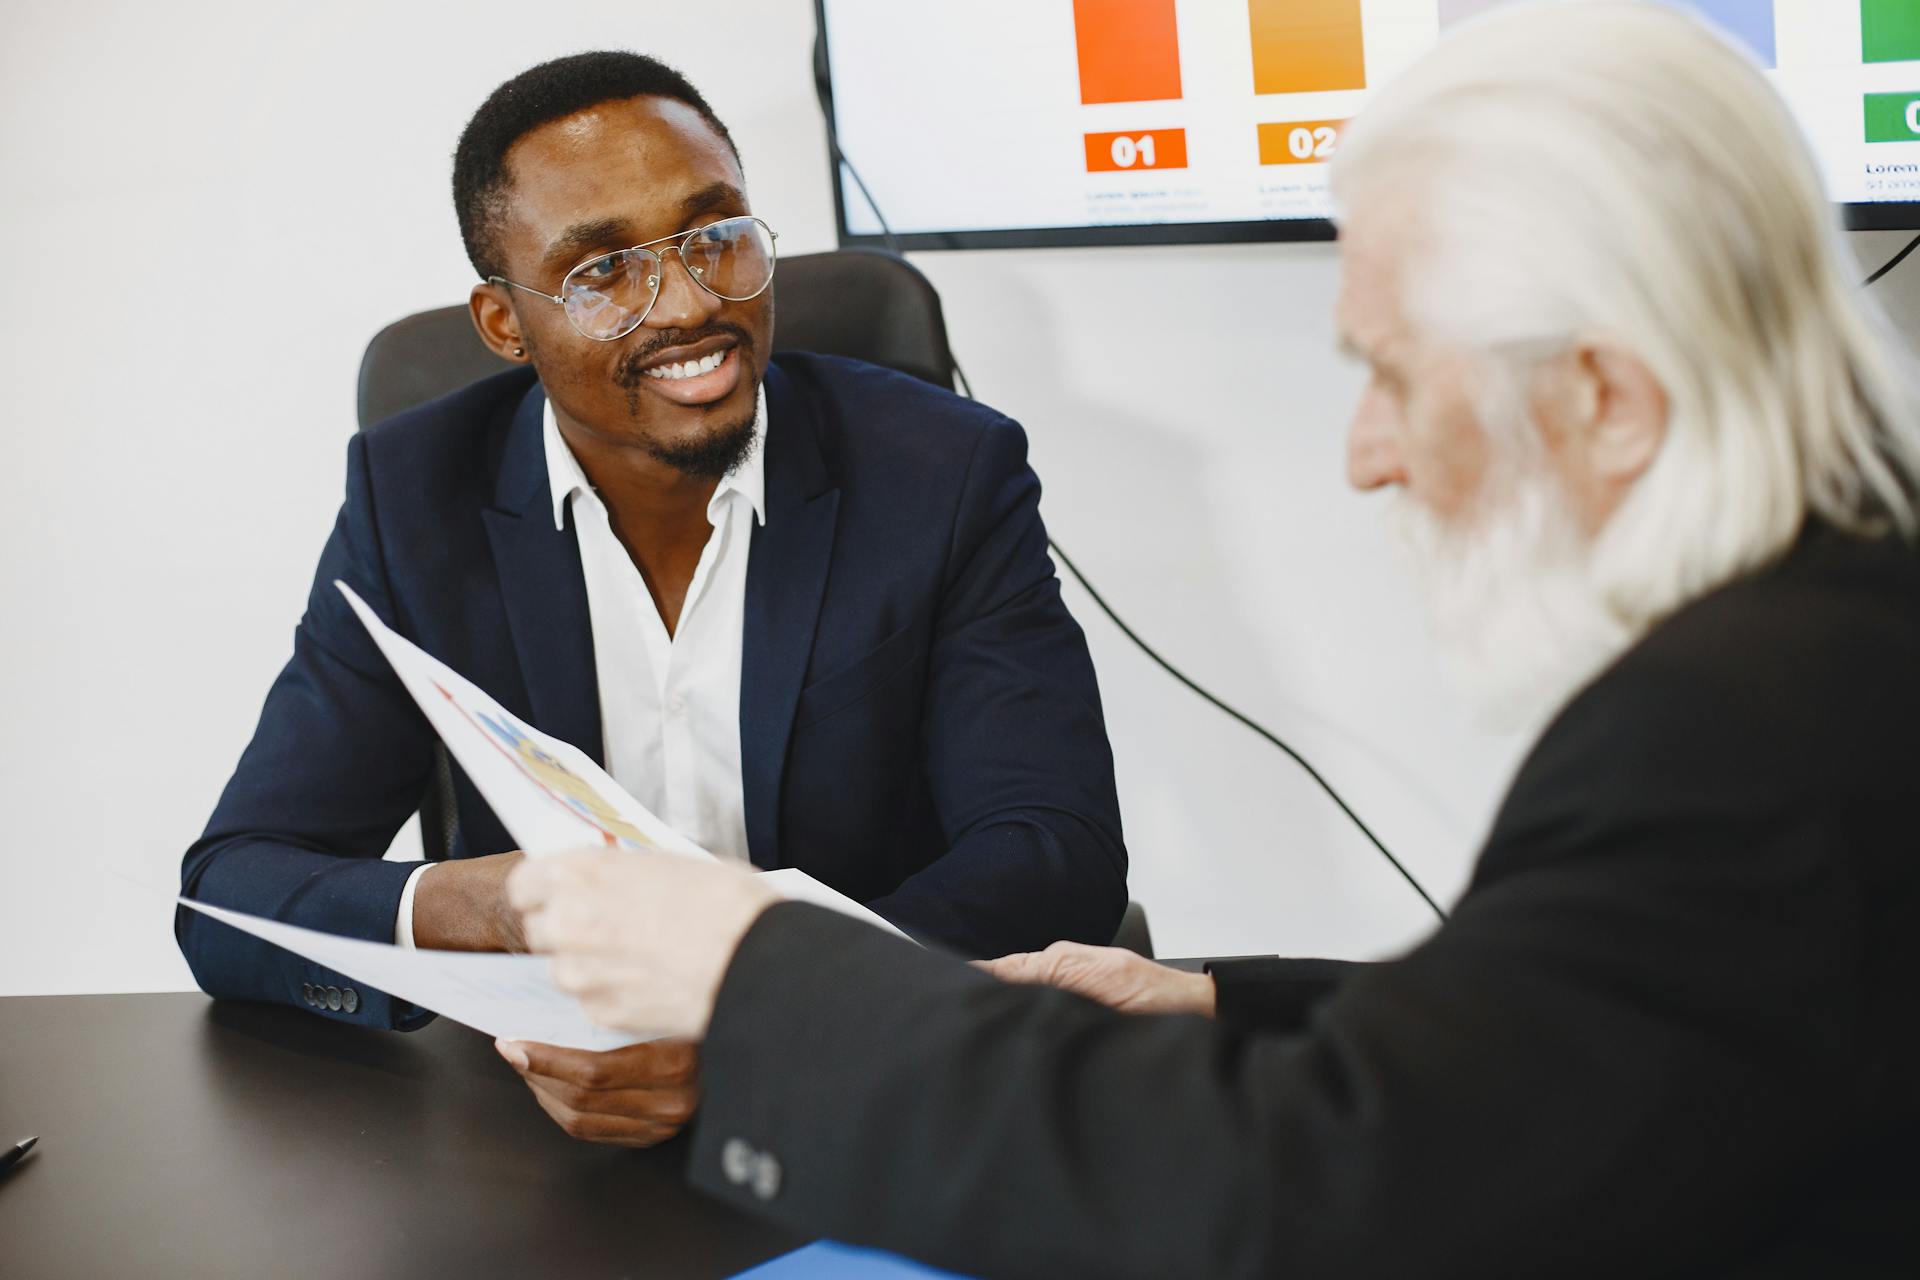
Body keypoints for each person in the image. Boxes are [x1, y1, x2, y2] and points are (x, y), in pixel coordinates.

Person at [506, 6, 1920, 1274]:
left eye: (1390, 376)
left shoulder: (1732, 740)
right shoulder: (1836, 636)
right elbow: (1578, 1036)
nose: (1367, 456)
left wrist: (754, 968)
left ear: (1606, 395)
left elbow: (1313, 1201)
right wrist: (1208, 1001)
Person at [175, 52, 1128, 1150]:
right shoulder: (415, 497)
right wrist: (479, 905)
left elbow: (1053, 849)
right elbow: (234, 891)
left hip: (875, 1100)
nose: (687, 303)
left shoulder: (941, 469)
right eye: (602, 272)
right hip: (548, 1129)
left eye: (715, 236)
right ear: (502, 322)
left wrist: (758, 1008)